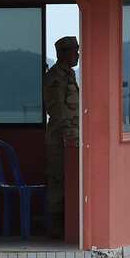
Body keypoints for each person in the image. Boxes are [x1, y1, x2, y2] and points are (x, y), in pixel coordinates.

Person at [42, 36, 80, 239]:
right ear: (63, 54)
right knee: (57, 180)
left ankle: (67, 225)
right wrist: (71, 130)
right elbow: (57, 110)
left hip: (72, 137)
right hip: (59, 138)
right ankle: (55, 227)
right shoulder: (55, 77)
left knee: (71, 181)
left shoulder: (70, 76)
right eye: (75, 51)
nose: (78, 54)